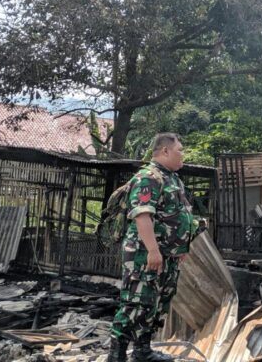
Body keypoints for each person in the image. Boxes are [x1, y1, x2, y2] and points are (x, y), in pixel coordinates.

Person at [108, 133, 195, 362]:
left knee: (156, 304)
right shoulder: (149, 177)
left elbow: (179, 217)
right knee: (136, 302)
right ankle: (116, 355)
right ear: (165, 151)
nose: (183, 154)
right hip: (144, 254)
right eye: (180, 150)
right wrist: (153, 251)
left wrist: (180, 249)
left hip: (168, 257)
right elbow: (142, 215)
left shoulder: (173, 179)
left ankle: (142, 351)